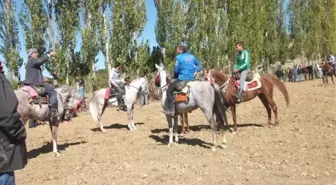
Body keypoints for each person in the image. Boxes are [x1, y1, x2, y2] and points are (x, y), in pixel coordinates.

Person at [0, 62, 28, 185]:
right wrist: (20, 133)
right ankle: (55, 111)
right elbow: (7, 115)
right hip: (2, 152)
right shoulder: (1, 81)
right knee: (52, 93)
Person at [163, 45, 202, 116]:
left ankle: (171, 110)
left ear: (181, 50)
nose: (177, 51)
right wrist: (196, 71)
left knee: (169, 90)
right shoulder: (192, 56)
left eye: (177, 50)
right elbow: (199, 65)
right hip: (192, 79)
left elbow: (176, 70)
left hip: (183, 79)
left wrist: (175, 76)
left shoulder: (179, 57)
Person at [24, 48, 57, 118]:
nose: (37, 54)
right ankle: (53, 111)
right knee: (53, 92)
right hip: (35, 83)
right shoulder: (32, 60)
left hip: (30, 82)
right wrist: (49, 54)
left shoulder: (30, 62)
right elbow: (40, 61)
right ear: (32, 54)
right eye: (35, 53)